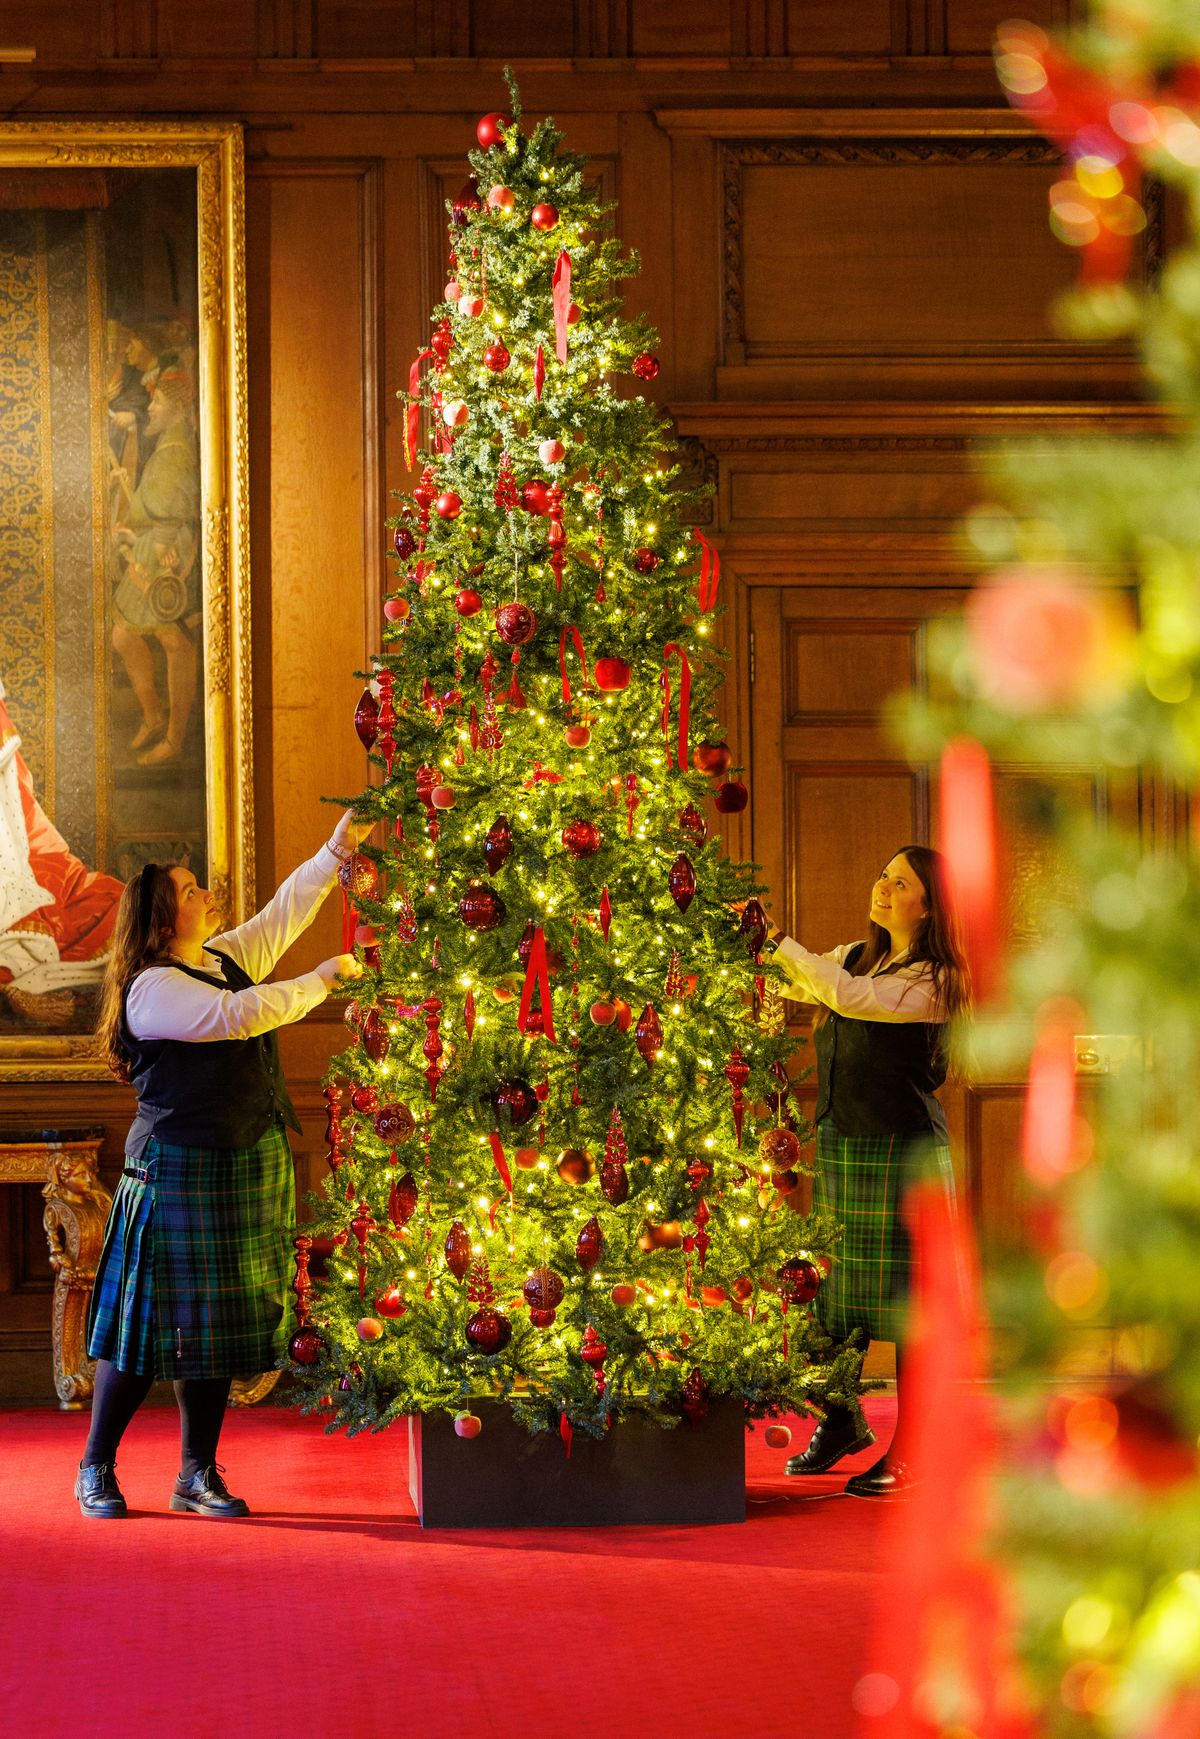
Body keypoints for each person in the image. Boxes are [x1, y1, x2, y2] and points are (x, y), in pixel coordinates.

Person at [75, 810, 370, 1520]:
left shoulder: (220, 954)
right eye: (188, 887)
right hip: (175, 1168)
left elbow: (284, 913)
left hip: (243, 1161)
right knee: (142, 1331)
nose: (205, 891)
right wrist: (326, 979)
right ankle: (95, 1465)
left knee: (211, 1328)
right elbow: (239, 1015)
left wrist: (338, 848)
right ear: (159, 914)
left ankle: (196, 1472)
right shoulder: (152, 988)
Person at [769, 845, 970, 1498]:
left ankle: (914, 1448)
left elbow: (851, 999)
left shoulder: (935, 977)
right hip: (846, 1145)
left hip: (903, 1153)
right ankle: (841, 1421)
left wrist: (775, 940)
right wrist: (748, 951)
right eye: (881, 874)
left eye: (900, 882)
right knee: (828, 1303)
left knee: (914, 1313)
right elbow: (804, 980)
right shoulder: (855, 952)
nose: (882, 886)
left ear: (929, 904)